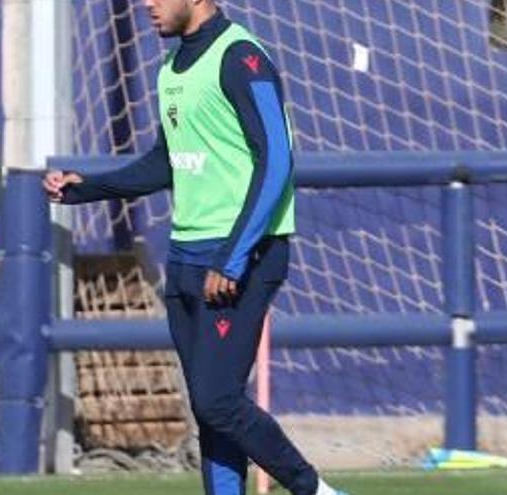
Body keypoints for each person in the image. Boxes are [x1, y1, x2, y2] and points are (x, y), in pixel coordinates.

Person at [44, 1, 350, 495]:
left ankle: (314, 491)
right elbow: (165, 162)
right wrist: (88, 187)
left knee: (217, 402)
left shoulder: (241, 56)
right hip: (186, 258)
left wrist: (232, 256)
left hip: (239, 257)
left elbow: (276, 162)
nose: (148, 4)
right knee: (212, 414)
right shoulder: (171, 67)